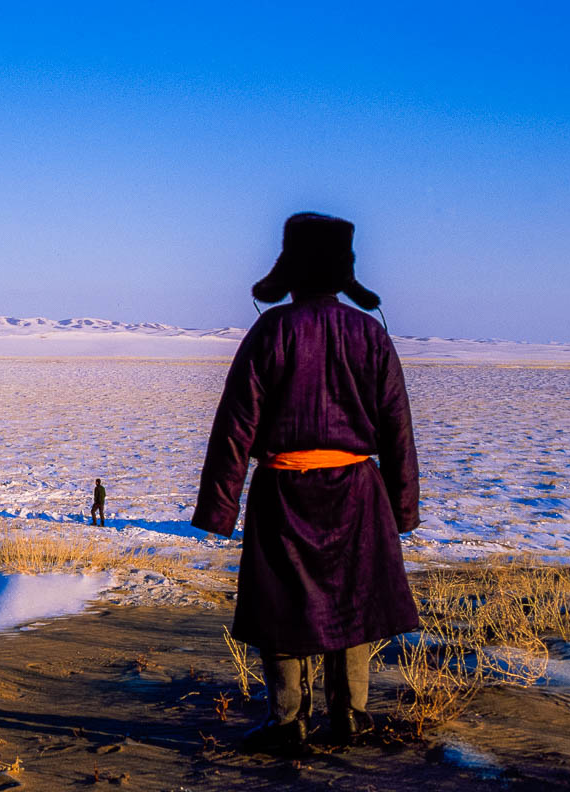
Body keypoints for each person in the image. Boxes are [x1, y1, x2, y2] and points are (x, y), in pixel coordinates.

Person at [192, 212, 420, 754]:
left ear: (289, 268)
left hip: (284, 492)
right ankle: (352, 715)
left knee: (281, 607)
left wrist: (220, 510)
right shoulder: (370, 333)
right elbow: (398, 428)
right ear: (345, 271)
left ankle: (287, 721)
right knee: (354, 603)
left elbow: (235, 427)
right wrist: (401, 507)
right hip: (358, 494)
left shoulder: (271, 330)